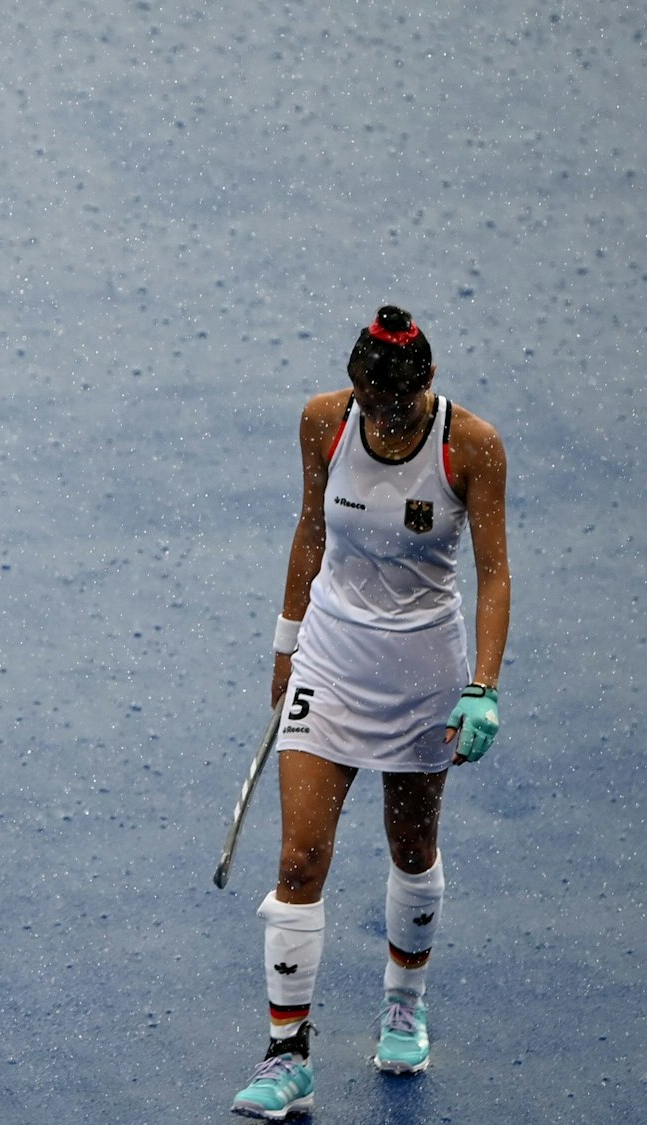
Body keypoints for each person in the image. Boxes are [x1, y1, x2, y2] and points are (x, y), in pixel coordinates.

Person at [230, 306, 511, 1120]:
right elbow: (311, 532)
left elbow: (493, 574)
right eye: (371, 405)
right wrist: (286, 646)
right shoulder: (325, 423)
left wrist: (482, 685)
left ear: (427, 385)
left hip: (423, 671)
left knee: (412, 845)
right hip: (332, 660)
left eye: (400, 408)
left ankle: (403, 1001)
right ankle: (288, 1055)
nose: (383, 421)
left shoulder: (472, 446)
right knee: (297, 861)